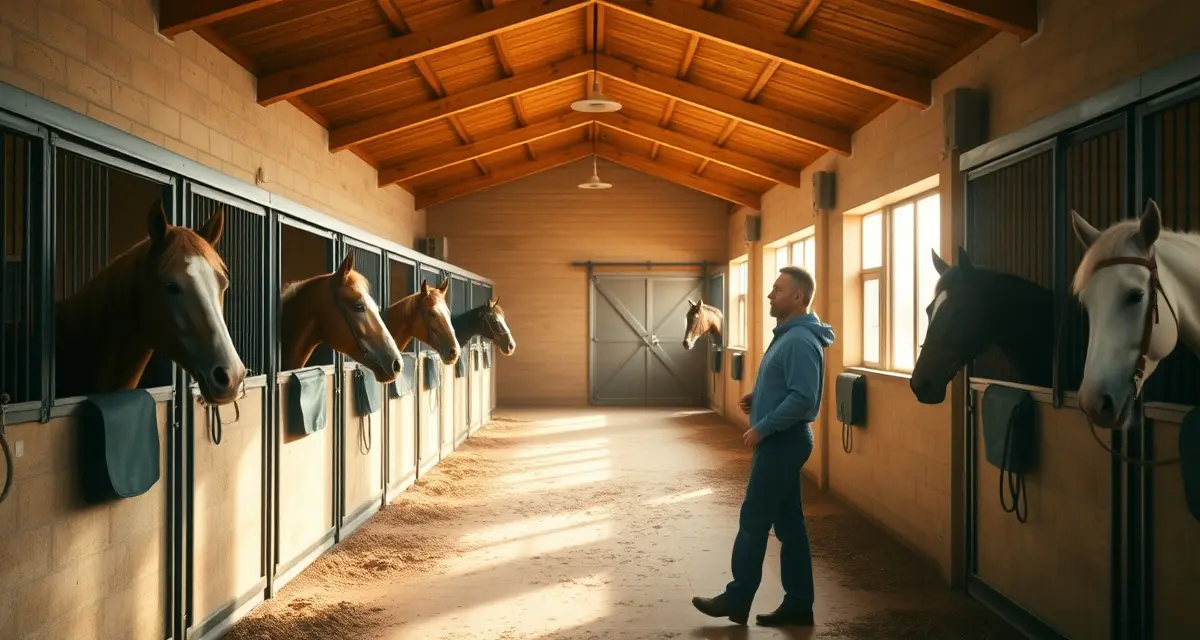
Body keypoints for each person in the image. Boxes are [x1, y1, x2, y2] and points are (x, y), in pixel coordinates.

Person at [691, 265, 834, 627]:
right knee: (790, 526)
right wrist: (761, 397)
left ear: (798, 296)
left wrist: (764, 427)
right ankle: (799, 604)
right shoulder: (789, 334)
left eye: (778, 290)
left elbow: (803, 398)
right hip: (782, 438)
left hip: (782, 441)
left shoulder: (800, 340)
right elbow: (790, 386)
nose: (770, 296)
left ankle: (737, 599)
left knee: (754, 518)